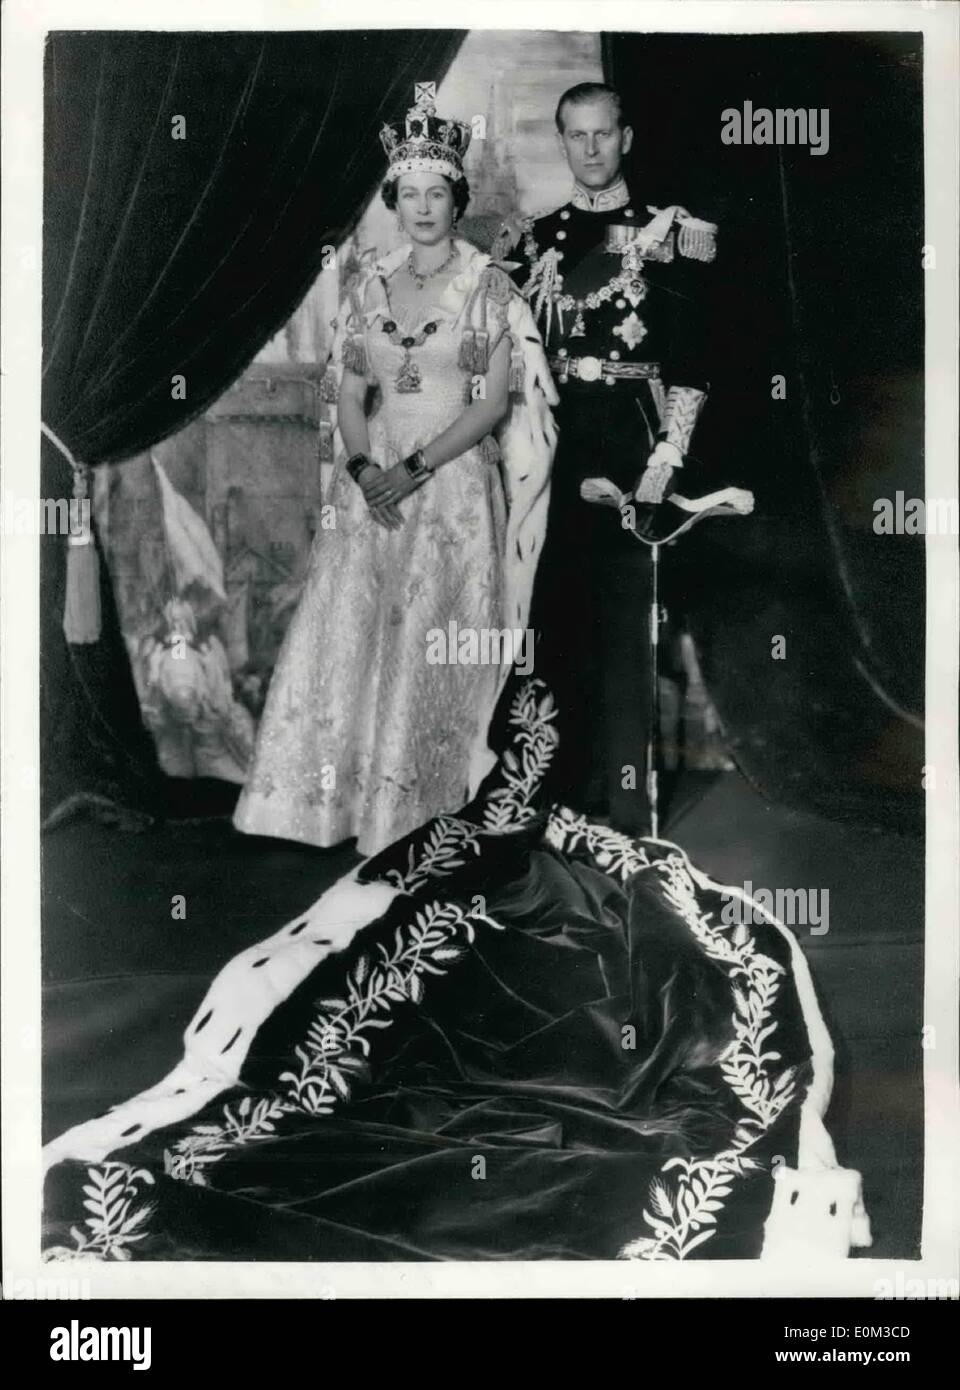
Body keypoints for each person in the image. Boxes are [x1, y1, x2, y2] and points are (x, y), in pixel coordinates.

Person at [232, 84, 557, 857]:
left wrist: (411, 467)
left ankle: (413, 812)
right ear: (392, 200)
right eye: (408, 194)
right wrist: (360, 464)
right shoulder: (369, 285)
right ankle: (327, 807)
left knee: (426, 647)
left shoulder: (485, 289)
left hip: (449, 486)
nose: (422, 207)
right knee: (353, 636)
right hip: (372, 485)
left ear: (456, 198)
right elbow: (347, 391)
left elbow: (488, 404)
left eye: (436, 193)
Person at [494, 82, 718, 834]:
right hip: (557, 443)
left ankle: (625, 812)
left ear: (626, 137)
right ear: (563, 142)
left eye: (602, 134)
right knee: (555, 620)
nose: (590, 149)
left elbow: (691, 361)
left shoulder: (673, 233)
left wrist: (667, 457)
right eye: (575, 136)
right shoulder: (535, 240)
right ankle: (556, 800)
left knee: (626, 627)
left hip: (630, 436)